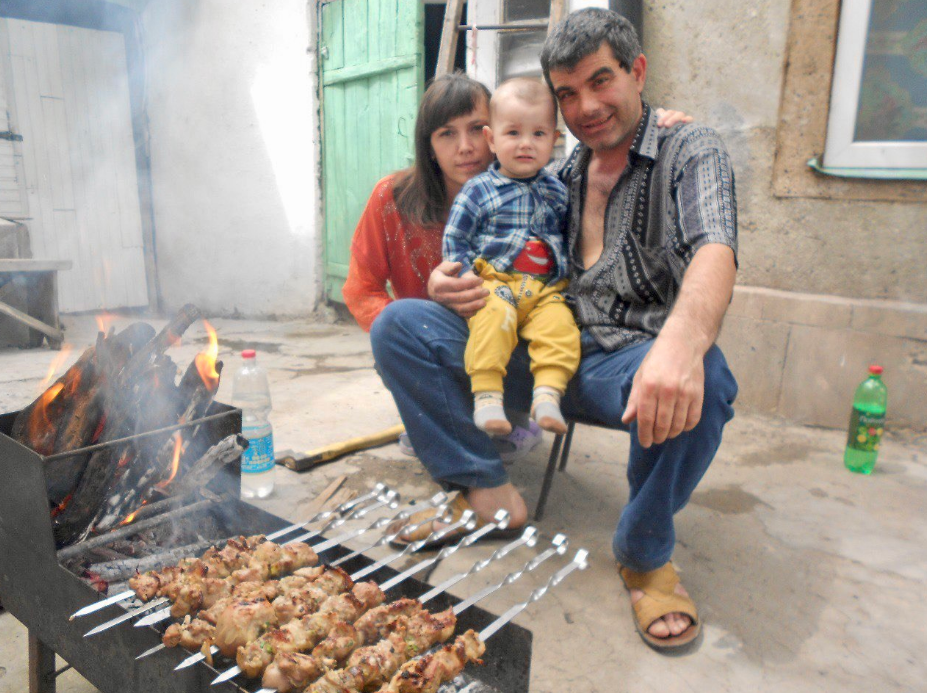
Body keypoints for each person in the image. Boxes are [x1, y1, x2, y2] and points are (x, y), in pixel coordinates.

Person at [370, 8, 738, 652]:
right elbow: (489, 220)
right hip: (531, 346)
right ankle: (485, 489)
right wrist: (444, 284)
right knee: (400, 324)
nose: (587, 106)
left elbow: (715, 246)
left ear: (637, 71)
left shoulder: (688, 149)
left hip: (624, 365)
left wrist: (680, 345)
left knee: (706, 376)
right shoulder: (561, 172)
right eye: (568, 93)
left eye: (602, 81)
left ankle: (644, 553)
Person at [343, 73, 688, 462]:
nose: (465, 147)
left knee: (539, 325)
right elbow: (361, 289)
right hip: (443, 337)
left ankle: (512, 407)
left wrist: (653, 128)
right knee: (398, 332)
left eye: (475, 129)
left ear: (492, 133)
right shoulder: (392, 198)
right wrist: (407, 333)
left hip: (520, 336)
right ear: (429, 145)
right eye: (447, 134)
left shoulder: (546, 184)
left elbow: (605, 160)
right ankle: (445, 407)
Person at [442, 77, 578, 437]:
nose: (525, 144)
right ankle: (487, 396)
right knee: (493, 318)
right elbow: (455, 240)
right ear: (491, 139)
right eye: (513, 133)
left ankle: (548, 394)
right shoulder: (478, 190)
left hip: (543, 290)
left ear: (554, 139)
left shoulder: (558, 191)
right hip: (495, 282)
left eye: (538, 134)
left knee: (561, 327)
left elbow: (567, 238)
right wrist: (466, 277)